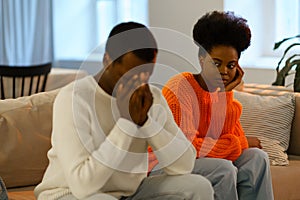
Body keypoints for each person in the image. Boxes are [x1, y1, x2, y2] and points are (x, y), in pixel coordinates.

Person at [34, 22, 214, 200]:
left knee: (198, 186)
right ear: (107, 60)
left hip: (129, 192)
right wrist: (126, 123)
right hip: (67, 193)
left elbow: (184, 166)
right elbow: (83, 186)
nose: (138, 82)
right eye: (130, 74)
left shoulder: (151, 98)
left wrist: (146, 122)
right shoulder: (74, 99)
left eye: (146, 73)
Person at [160, 11, 274, 200]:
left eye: (231, 65)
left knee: (257, 158)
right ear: (202, 59)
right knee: (223, 168)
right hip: (169, 163)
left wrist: (225, 94)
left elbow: (231, 136)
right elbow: (189, 148)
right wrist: (241, 142)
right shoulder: (181, 87)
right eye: (216, 63)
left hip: (201, 161)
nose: (224, 72)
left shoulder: (221, 94)